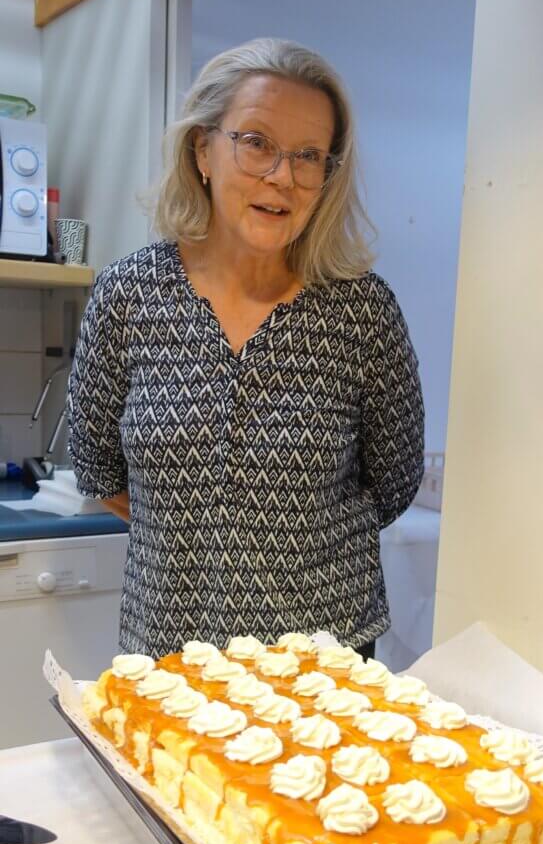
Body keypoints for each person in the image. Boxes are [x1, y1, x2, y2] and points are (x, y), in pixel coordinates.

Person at [68, 38, 424, 660]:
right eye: (256, 142)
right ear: (202, 149)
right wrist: (196, 539)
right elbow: (99, 469)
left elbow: (392, 485)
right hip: (171, 662)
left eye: (308, 156)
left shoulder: (362, 312)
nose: (282, 177)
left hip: (323, 671)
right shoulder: (128, 296)